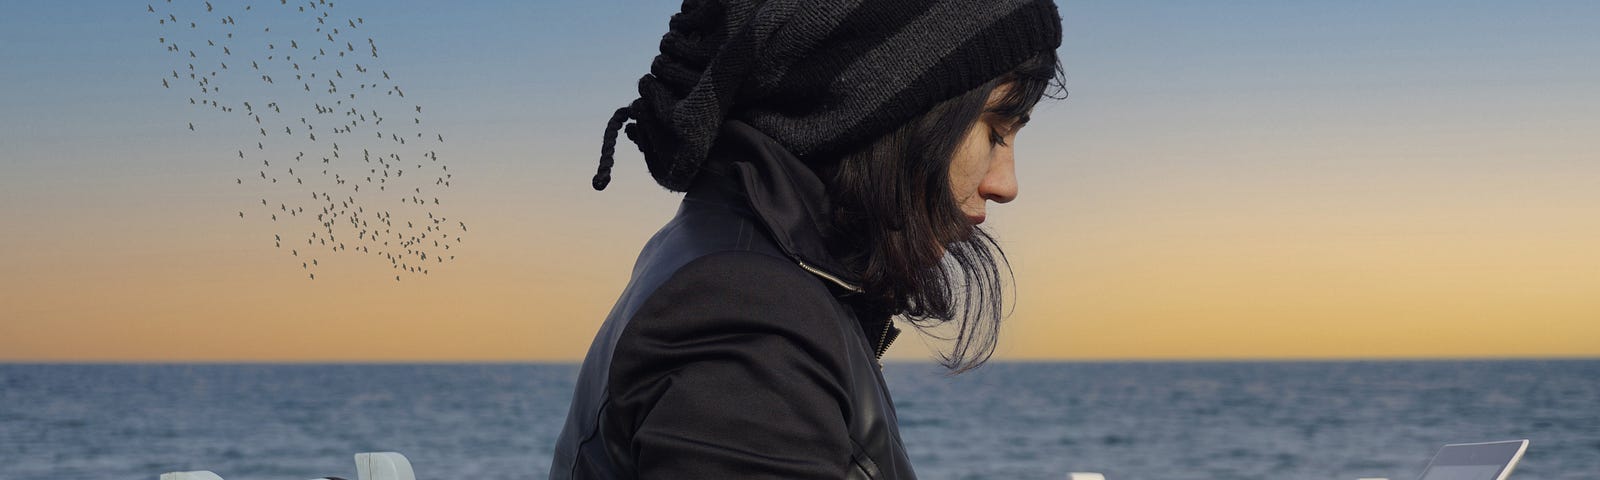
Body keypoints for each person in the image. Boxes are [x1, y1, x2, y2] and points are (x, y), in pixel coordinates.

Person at [549, 1, 1065, 478]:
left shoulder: (736, 263)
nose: (1006, 184)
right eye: (995, 131)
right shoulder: (752, 324)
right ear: (888, 107)